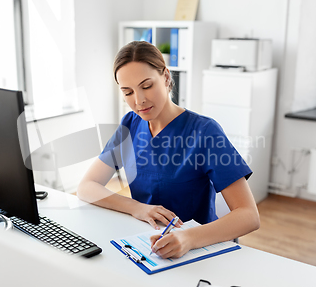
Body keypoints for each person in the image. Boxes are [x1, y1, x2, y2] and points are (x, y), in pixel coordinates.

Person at [77, 41, 260, 259]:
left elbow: (249, 216)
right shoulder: (131, 124)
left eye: (146, 86)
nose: (139, 101)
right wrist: (138, 208)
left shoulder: (204, 132)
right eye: (127, 92)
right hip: (148, 244)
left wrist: (189, 238)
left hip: (198, 248)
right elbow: (87, 186)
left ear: (165, 77)